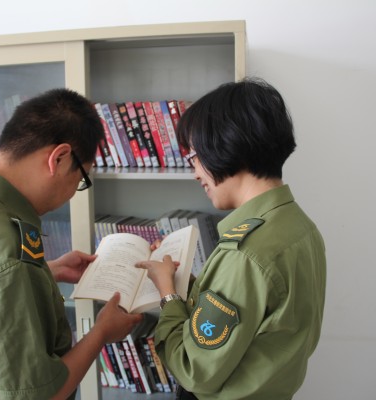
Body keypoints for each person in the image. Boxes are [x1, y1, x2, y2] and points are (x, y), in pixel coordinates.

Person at [0, 88, 142, 400]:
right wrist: (101, 332)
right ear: (59, 158)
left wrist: (48, 271)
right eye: (81, 179)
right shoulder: (8, 251)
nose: (74, 192)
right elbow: (40, 396)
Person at [136, 78, 326, 399]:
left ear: (227, 146)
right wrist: (181, 280)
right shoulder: (299, 226)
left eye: (195, 156)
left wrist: (168, 295)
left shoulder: (245, 252)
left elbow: (193, 369)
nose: (195, 172)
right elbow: (255, 316)